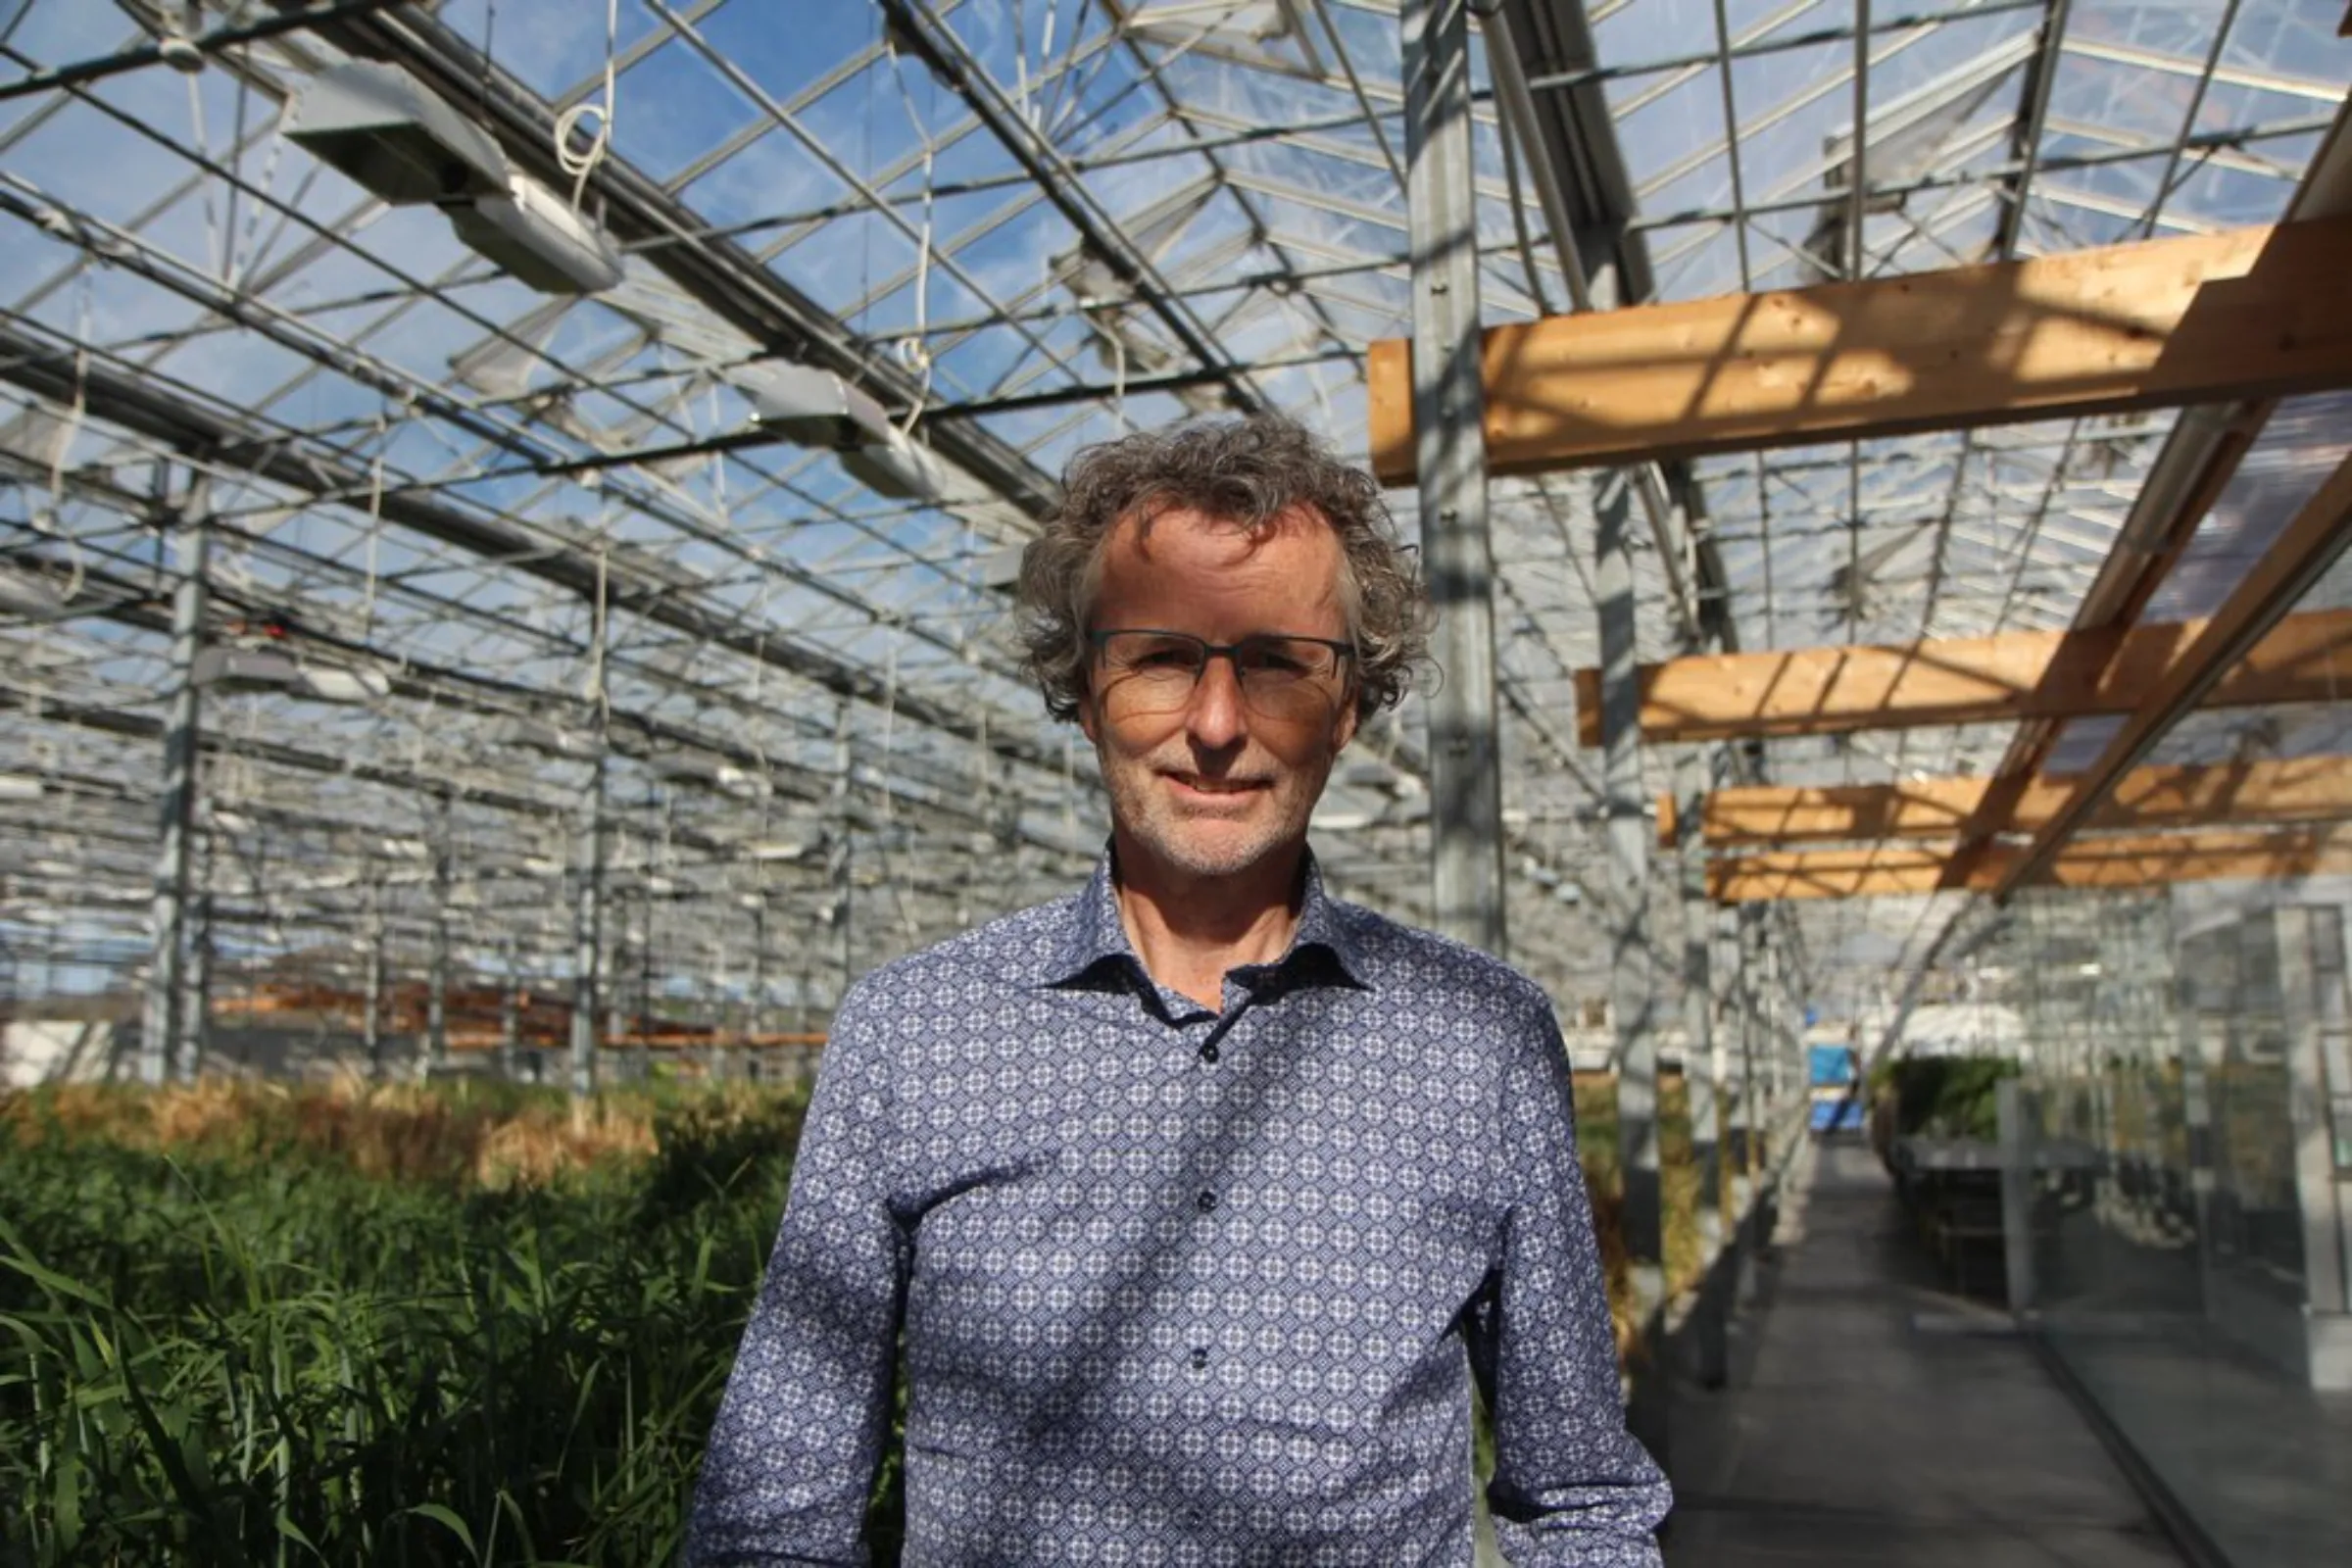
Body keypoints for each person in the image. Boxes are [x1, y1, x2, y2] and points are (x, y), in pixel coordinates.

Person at [685, 416, 1670, 1565]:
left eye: (1275, 662)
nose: (1214, 726)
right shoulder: (915, 1033)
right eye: (1158, 657)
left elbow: (1581, 1503)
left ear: (1350, 702)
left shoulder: (1478, 1039)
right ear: (1085, 688)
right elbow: (775, 1515)